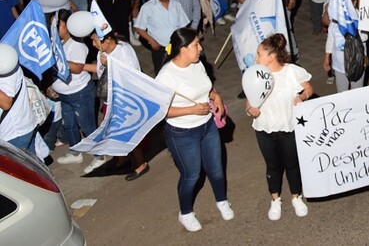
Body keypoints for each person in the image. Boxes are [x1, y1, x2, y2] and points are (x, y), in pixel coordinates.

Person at [155, 27, 233, 232]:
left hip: (207, 126)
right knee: (192, 175)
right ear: (182, 49)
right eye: (195, 45)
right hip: (182, 133)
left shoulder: (197, 63)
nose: (200, 48)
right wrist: (192, 109)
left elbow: (207, 87)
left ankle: (222, 200)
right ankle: (185, 213)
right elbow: (160, 111)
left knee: (216, 168)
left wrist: (216, 96)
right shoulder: (165, 77)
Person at [245, 33, 311, 221]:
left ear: (271, 57)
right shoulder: (255, 73)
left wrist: (301, 97)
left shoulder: (291, 72)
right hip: (264, 128)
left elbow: (309, 89)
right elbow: (249, 102)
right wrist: (251, 109)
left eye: (259, 54)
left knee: (292, 164)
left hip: (288, 127)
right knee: (272, 166)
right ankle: (275, 199)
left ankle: (296, 197)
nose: (256, 57)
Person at [82, 31, 149, 180]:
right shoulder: (103, 52)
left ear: (107, 39)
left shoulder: (124, 51)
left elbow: (131, 76)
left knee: (126, 133)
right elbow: (99, 71)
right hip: (110, 100)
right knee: (114, 133)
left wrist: (110, 65)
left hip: (123, 101)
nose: (93, 44)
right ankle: (122, 158)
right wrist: (82, 66)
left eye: (94, 40)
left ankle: (140, 164)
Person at [52, 9, 108, 174]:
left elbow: (77, 68)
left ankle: (99, 156)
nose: (55, 30)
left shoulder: (77, 45)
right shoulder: (59, 43)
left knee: (87, 126)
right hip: (65, 95)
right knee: (69, 125)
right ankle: (75, 151)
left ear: (69, 26)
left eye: (58, 26)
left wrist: (56, 58)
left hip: (79, 93)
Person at [133, 0, 190, 75]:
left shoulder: (176, 5)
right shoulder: (148, 7)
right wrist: (152, 41)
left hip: (176, 47)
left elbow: (183, 25)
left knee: (178, 71)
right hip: (160, 48)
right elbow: (139, 28)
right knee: (161, 72)